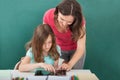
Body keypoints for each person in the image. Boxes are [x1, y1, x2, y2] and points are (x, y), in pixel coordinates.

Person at [43, 0, 86, 71]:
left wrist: (69, 64)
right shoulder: (48, 16)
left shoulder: (80, 21)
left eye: (69, 22)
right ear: (57, 12)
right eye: (61, 19)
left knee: (74, 73)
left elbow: (81, 48)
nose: (64, 24)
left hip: (76, 50)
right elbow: (45, 38)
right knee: (58, 73)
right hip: (58, 49)